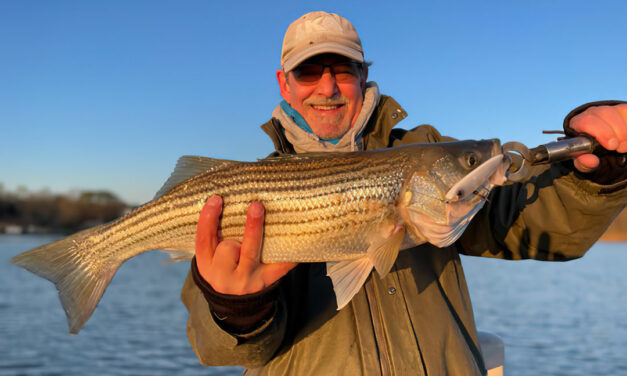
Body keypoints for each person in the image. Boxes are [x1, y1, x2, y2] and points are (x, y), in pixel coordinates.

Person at [181, 11, 626, 375]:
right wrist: (236, 309)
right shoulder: (241, 191)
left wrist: (599, 177)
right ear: (285, 83)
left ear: (363, 74)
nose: (328, 86)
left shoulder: (423, 149)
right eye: (309, 70)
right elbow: (218, 350)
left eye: (343, 69)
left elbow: (534, 223)